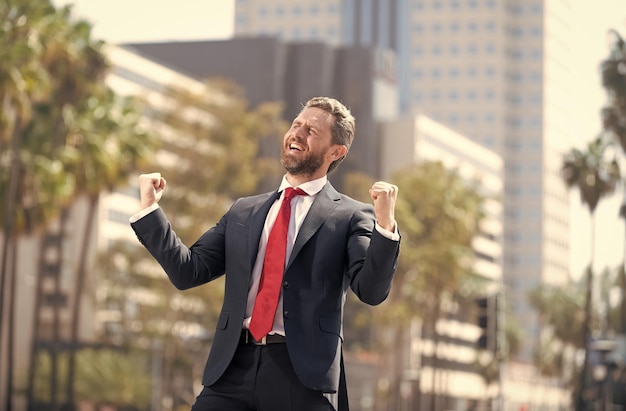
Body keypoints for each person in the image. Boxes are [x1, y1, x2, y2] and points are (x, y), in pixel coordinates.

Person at [130, 96, 400, 411]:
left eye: (312, 131)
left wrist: (385, 226)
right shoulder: (244, 210)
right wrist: (150, 210)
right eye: (296, 125)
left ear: (336, 152)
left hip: (302, 378)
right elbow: (187, 271)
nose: (298, 133)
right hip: (231, 369)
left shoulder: (352, 216)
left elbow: (371, 291)